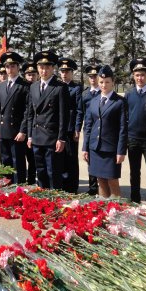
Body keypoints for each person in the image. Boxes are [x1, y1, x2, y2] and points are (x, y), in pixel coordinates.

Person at [82, 65, 128, 199]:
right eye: (101, 82)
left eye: (107, 82)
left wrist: (121, 151)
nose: (104, 85)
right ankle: (104, 208)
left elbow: (122, 128)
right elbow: (88, 126)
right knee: (100, 180)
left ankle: (117, 211)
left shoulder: (120, 102)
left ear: (113, 82)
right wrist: (85, 147)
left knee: (112, 180)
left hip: (111, 149)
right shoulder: (93, 101)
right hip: (95, 148)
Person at [26, 50, 69, 190]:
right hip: (37, 136)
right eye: (41, 67)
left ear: (52, 68)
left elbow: (64, 115)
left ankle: (55, 200)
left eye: (47, 67)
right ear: (37, 68)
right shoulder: (33, 87)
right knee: (41, 171)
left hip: (52, 137)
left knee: (53, 172)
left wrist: (61, 138)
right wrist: (30, 135)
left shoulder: (60, 87)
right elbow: (30, 114)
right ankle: (43, 200)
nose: (43, 70)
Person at [125, 57, 146, 204]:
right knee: (134, 172)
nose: (140, 78)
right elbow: (126, 116)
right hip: (132, 139)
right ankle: (135, 200)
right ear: (133, 76)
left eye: (143, 75)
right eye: (137, 75)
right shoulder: (129, 94)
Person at [0, 51, 29, 183]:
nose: (10, 69)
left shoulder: (24, 85)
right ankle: (7, 186)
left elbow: (27, 111)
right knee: (5, 160)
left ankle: (19, 187)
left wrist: (23, 130)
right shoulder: (1, 85)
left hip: (16, 130)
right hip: (3, 129)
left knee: (17, 161)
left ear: (18, 67)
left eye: (13, 66)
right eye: (7, 66)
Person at [75, 64, 102, 196]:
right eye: (90, 76)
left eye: (95, 76)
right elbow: (80, 112)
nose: (93, 79)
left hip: (103, 129)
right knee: (89, 157)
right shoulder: (85, 93)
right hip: (89, 129)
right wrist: (77, 128)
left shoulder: (103, 91)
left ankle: (103, 185)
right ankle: (92, 186)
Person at [58, 57, 82, 193]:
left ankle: (72, 187)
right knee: (60, 157)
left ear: (72, 73)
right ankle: (62, 184)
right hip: (58, 128)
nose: (64, 74)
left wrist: (77, 128)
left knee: (71, 157)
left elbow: (79, 110)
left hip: (70, 128)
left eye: (67, 71)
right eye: (62, 71)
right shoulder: (56, 86)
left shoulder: (76, 88)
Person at [21, 61, 39, 184]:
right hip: (22, 127)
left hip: (35, 127)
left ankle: (32, 179)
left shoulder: (39, 88)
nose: (31, 77)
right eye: (28, 74)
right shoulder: (22, 87)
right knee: (22, 156)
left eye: (33, 74)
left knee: (33, 158)